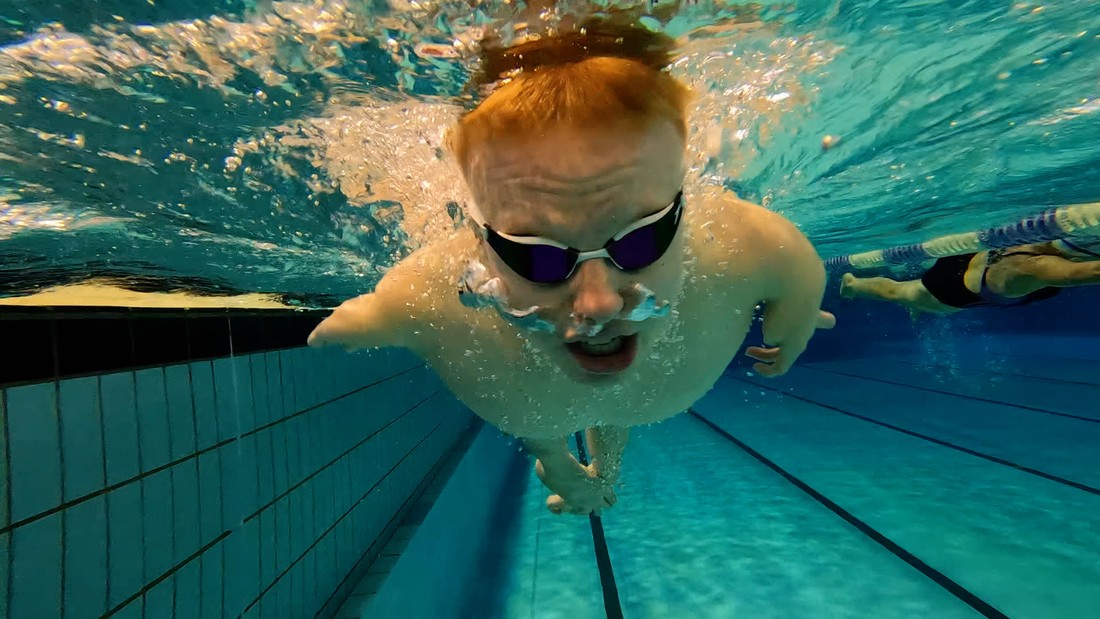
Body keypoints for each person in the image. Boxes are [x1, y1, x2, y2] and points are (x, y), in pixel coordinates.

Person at [308, 22, 834, 516]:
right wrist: (371, 319)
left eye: (642, 238)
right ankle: (559, 464)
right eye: (537, 255)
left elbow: (800, 268)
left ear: (685, 208)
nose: (599, 303)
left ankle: (605, 474)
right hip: (535, 405)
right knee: (542, 411)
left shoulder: (746, 244)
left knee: (604, 394)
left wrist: (797, 317)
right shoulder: (430, 294)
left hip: (583, 400)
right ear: (480, 241)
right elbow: (388, 306)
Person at [839, 239, 1100, 315]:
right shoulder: (1040, 267)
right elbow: (1091, 270)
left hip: (974, 253)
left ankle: (856, 284)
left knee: (910, 293)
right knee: (903, 293)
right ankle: (853, 285)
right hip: (957, 289)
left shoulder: (1040, 244)